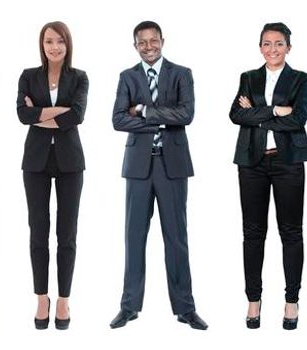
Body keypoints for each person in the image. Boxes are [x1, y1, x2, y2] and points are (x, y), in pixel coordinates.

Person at [108, 20, 206, 331]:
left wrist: (146, 111)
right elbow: (118, 119)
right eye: (142, 42)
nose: (149, 47)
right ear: (135, 45)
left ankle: (185, 308)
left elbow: (186, 115)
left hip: (172, 166)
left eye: (153, 41)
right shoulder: (128, 77)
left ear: (162, 40)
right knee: (134, 238)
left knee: (176, 238)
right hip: (138, 168)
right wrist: (162, 119)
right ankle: (129, 307)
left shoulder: (181, 74)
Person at [228, 22, 307, 331]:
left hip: (288, 162)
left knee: (291, 232)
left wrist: (258, 112)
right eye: (266, 43)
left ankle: (291, 300)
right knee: (253, 233)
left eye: (278, 43)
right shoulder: (248, 78)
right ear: (260, 47)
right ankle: (254, 299)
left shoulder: (301, 79)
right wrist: (276, 112)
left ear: (289, 47)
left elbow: (300, 118)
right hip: (251, 162)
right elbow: (236, 115)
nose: (272, 49)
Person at [17, 21, 86, 331]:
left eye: (60, 41)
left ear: (68, 44)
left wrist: (40, 112)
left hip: (70, 162)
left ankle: (63, 299)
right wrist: (59, 112)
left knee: (67, 233)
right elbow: (22, 114)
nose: (54, 46)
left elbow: (78, 115)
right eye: (49, 41)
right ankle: (42, 297)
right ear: (41, 45)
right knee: (38, 231)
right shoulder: (28, 76)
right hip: (35, 162)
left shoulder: (79, 77)